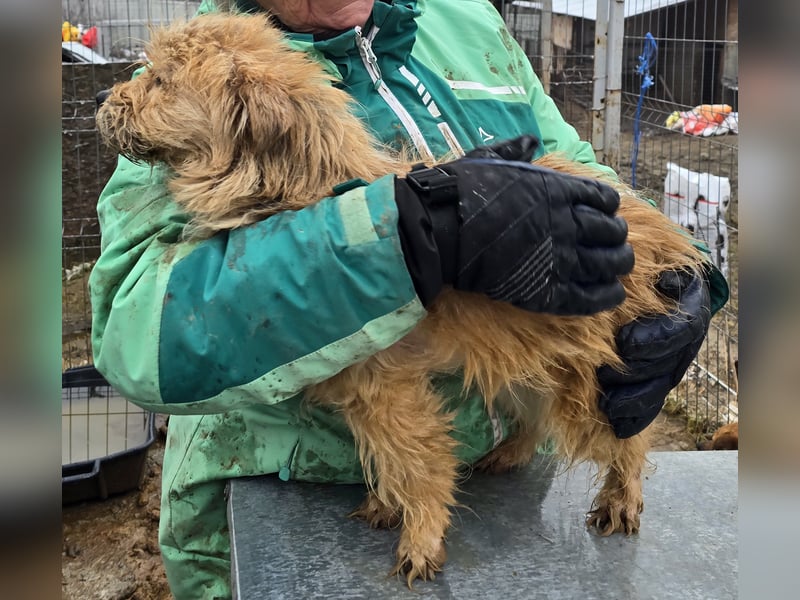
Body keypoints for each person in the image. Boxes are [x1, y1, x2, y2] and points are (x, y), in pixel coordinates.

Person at [89, 1, 728, 598]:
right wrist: (405, 234)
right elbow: (136, 334)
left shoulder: (467, 17)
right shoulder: (205, 67)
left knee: (594, 397)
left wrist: (690, 277)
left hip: (510, 488)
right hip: (280, 500)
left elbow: (579, 164)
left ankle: (607, 469)